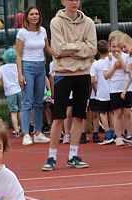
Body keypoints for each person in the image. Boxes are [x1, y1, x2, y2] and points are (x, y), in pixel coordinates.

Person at [41, 0, 97, 171]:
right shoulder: (56, 21)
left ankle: (73, 155)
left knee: (79, 116)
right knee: (58, 118)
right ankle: (51, 157)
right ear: (62, 1)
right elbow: (58, 47)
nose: (74, 2)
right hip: (63, 74)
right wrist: (80, 48)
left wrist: (68, 50)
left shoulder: (88, 22)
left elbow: (92, 49)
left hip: (83, 74)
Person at [16, 6, 51, 146]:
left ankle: (38, 133)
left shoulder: (42, 31)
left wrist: (60, 53)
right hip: (27, 67)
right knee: (27, 101)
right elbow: (18, 54)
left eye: (37, 14)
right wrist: (20, 74)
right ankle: (26, 134)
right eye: (32, 14)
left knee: (39, 102)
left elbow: (47, 49)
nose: (35, 16)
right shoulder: (22, 33)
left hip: (40, 67)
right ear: (27, 17)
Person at [0, 47, 22, 136]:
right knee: (21, 110)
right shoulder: (18, 66)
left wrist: (5, 85)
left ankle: (16, 130)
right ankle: (22, 128)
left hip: (10, 92)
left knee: (13, 112)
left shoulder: (2, 68)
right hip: (20, 90)